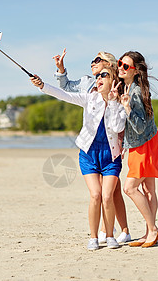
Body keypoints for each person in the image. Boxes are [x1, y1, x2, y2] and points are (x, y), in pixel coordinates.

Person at [29, 66, 127, 251]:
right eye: (96, 76)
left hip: (110, 157)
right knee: (96, 195)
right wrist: (42, 85)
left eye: (103, 75)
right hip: (88, 153)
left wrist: (113, 102)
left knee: (107, 196)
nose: (97, 78)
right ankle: (93, 237)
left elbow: (117, 126)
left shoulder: (120, 103)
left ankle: (110, 235)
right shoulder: (89, 98)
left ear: (114, 80)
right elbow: (64, 94)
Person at [52, 49, 131, 244]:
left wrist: (123, 145)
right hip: (92, 144)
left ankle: (118, 229)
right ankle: (107, 229)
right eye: (93, 61)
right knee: (105, 192)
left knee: (112, 191)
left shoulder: (119, 86)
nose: (93, 63)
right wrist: (61, 71)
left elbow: (122, 121)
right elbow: (67, 89)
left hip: (112, 143)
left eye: (98, 60)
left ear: (110, 65)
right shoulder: (89, 82)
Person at [118, 51, 158, 248]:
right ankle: (149, 232)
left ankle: (153, 228)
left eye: (126, 66)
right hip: (143, 143)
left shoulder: (136, 92)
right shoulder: (128, 86)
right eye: (120, 63)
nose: (121, 68)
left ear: (135, 71)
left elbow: (139, 126)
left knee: (130, 188)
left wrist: (127, 108)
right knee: (148, 189)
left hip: (144, 145)